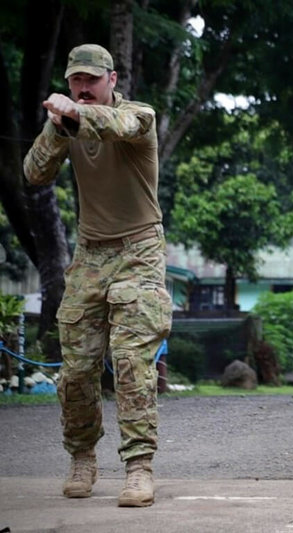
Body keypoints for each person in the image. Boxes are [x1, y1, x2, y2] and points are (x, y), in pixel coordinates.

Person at [23, 44, 172, 507]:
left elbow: (120, 126)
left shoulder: (138, 115)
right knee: (76, 369)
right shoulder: (68, 121)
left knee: (130, 362)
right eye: (76, 80)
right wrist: (57, 124)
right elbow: (33, 173)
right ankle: (82, 458)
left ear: (111, 80)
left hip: (140, 250)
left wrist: (78, 115)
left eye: (92, 79)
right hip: (90, 254)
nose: (83, 87)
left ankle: (139, 468)